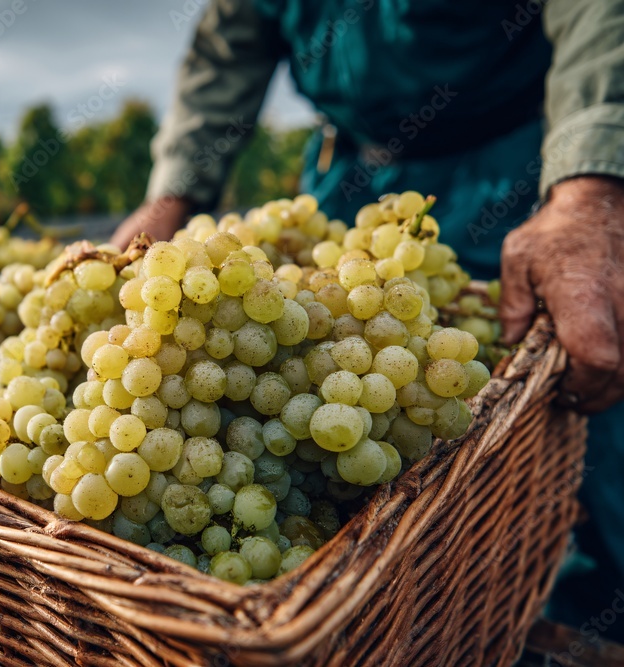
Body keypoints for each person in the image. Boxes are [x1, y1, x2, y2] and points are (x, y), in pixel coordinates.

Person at [112, 0, 624, 639]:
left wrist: (592, 182)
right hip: (348, 176)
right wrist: (174, 192)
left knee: (582, 385)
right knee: (356, 460)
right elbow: (231, 42)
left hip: (524, 169)